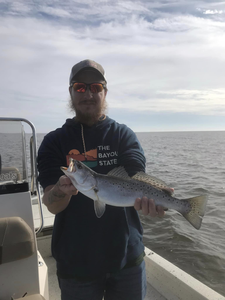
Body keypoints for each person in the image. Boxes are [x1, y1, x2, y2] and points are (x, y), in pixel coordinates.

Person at [37, 59, 167, 300]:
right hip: (76, 264)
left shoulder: (123, 135)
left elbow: (137, 178)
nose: (88, 93)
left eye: (95, 87)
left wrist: (158, 199)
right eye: (80, 87)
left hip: (127, 258)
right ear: (71, 93)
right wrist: (61, 192)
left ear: (105, 92)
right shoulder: (53, 142)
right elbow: (52, 204)